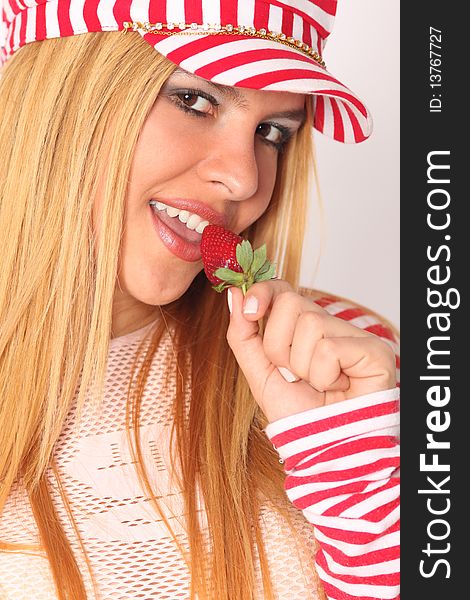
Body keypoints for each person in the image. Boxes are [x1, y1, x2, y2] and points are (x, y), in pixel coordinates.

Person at [0, 1, 400, 599]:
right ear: (64, 92)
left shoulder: (345, 366)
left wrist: (352, 468)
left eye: (273, 133)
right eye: (194, 100)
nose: (244, 178)